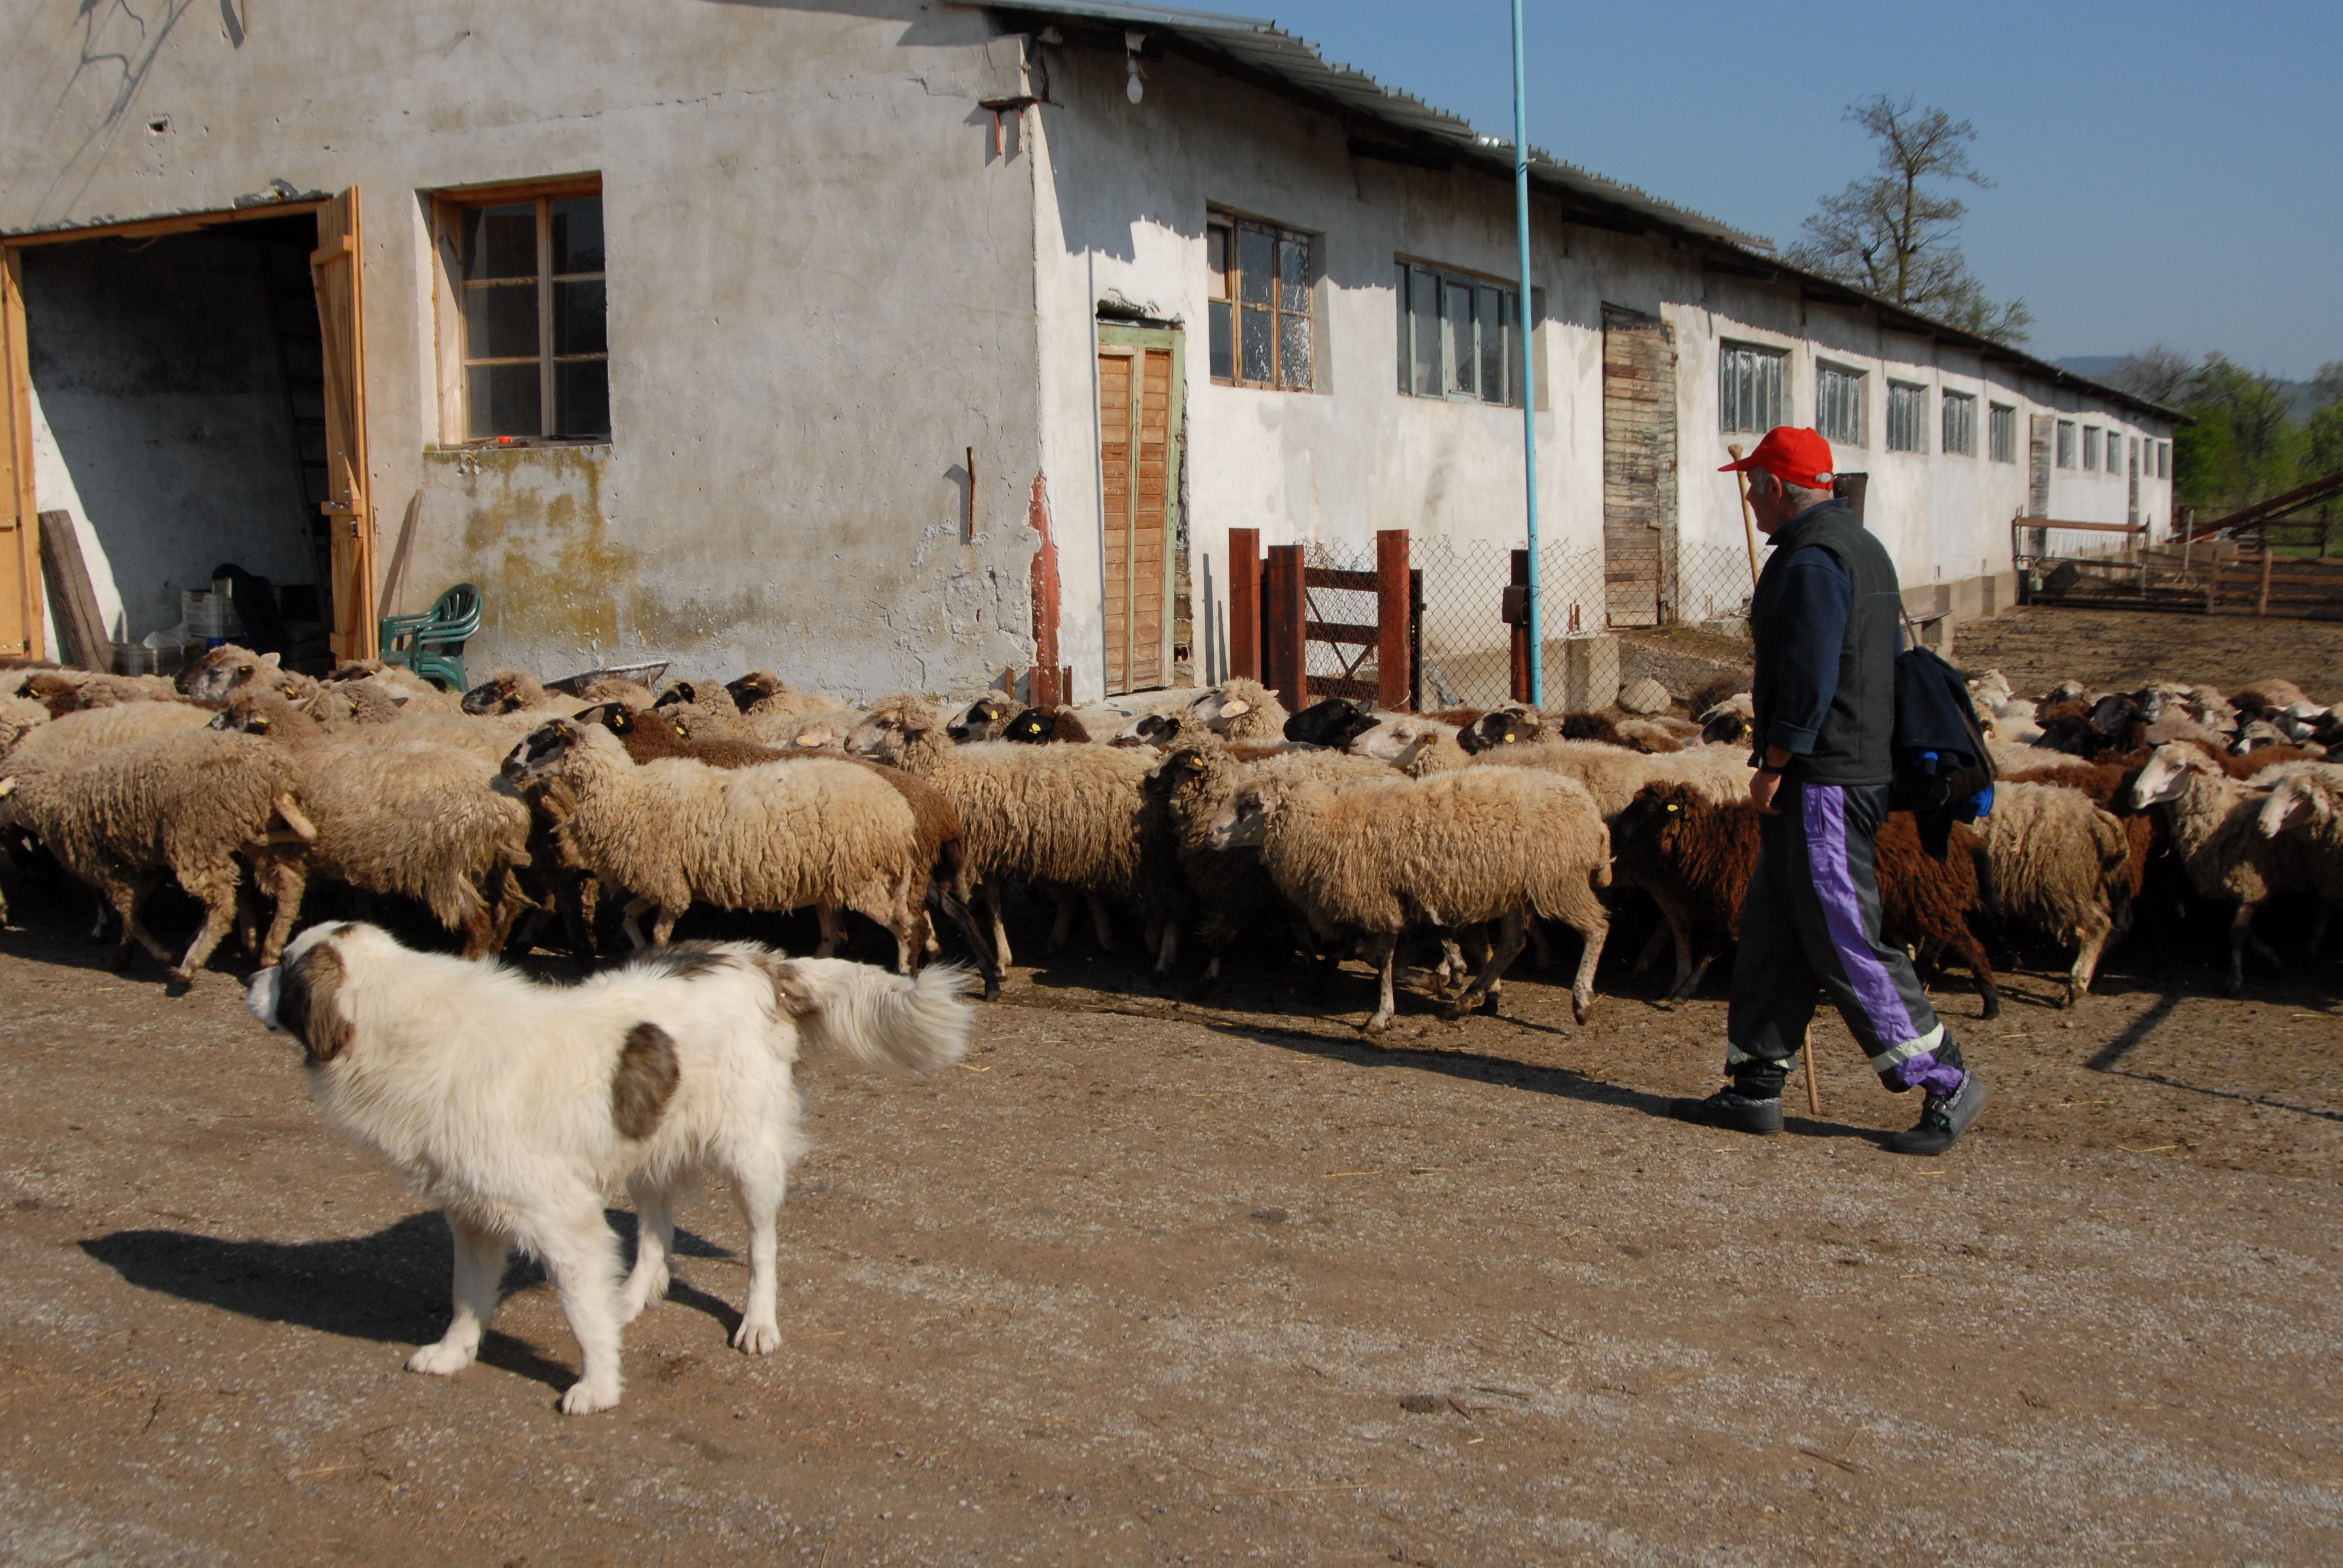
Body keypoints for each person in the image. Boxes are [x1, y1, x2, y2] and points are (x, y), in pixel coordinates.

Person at [1671, 426, 1988, 1156]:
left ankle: (1943, 1077)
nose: (1748, 496)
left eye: (1754, 483)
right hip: (1839, 768)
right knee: (1775, 925)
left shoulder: (1811, 562)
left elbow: (1811, 675)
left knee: (1844, 931)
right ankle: (1754, 1083)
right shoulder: (1856, 545)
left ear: (1779, 487)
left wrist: (1776, 759)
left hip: (1825, 777)